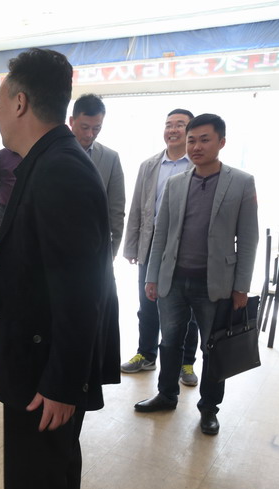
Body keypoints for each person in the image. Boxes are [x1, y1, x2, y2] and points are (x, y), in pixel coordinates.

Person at [0, 49, 120, 489]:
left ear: (20, 102)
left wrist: (63, 384)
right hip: (41, 353)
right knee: (56, 461)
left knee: (35, 476)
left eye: (0, 99)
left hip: (45, 365)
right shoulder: (47, 159)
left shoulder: (60, 168)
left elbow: (81, 290)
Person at [135, 113, 258, 436]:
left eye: (205, 140)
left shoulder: (241, 182)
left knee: (213, 349)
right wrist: (152, 276)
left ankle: (209, 409)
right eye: (192, 140)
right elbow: (161, 234)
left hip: (215, 284)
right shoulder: (176, 183)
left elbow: (248, 239)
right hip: (173, 280)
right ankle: (166, 395)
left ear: (221, 142)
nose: (196, 146)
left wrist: (241, 287)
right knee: (170, 342)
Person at [122, 109, 200, 386]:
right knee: (147, 304)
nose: (173, 130)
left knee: (186, 309)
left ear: (190, 131)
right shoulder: (149, 165)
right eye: (169, 125)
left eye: (180, 125)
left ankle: (186, 363)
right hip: (151, 242)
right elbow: (137, 206)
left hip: (185, 246)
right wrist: (132, 246)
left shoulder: (198, 165)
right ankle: (146, 354)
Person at [69, 94, 125, 257]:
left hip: (95, 249)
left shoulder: (111, 158)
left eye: (96, 128)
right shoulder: (52, 153)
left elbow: (116, 209)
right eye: (85, 127)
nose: (89, 134)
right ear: (72, 121)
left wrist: (112, 252)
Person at [0, 147, 22, 230]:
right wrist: (6, 195)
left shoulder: (33, 154)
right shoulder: (0, 156)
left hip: (28, 211)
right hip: (5, 210)